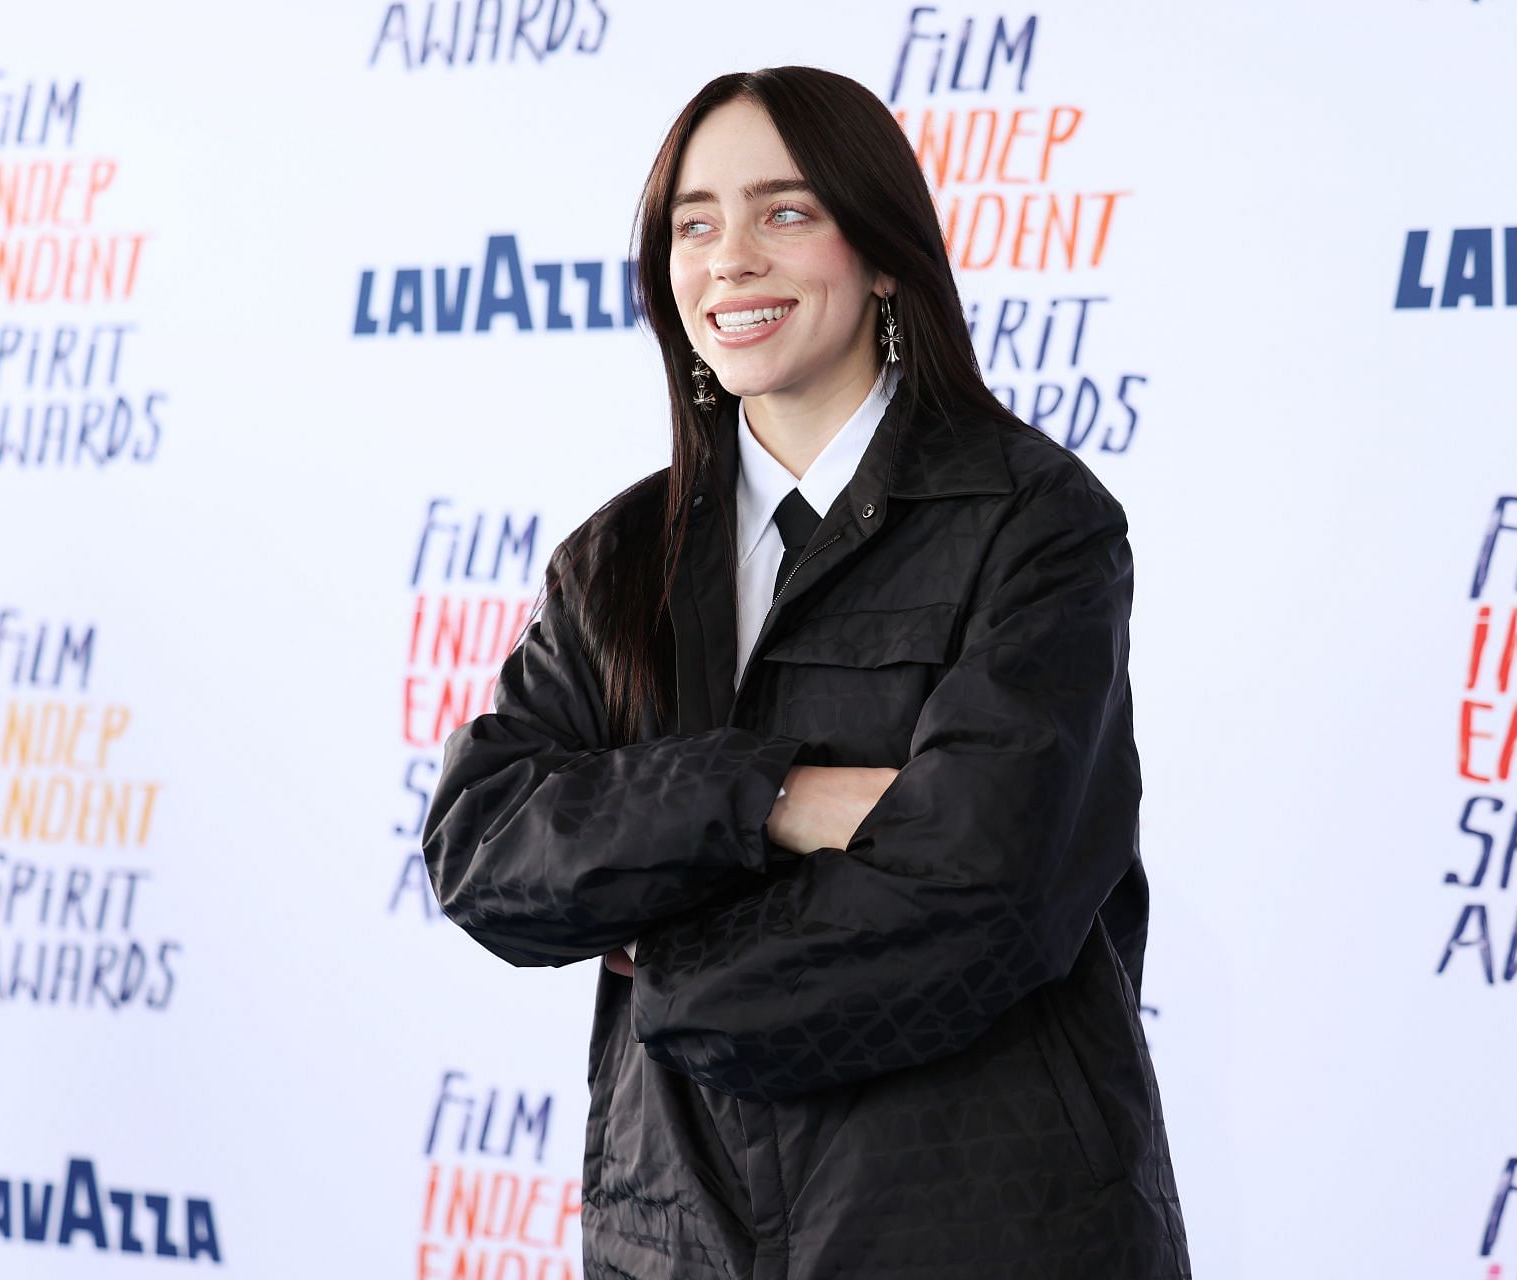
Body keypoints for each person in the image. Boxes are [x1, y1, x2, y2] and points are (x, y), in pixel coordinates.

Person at [422, 65, 1190, 1280]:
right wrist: (771, 797)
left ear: (883, 251)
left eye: (784, 211)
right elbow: (482, 846)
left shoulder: (1035, 523)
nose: (730, 257)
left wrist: (669, 961)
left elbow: (983, 891)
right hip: (675, 1236)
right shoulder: (616, 560)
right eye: (695, 222)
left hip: (980, 1231)